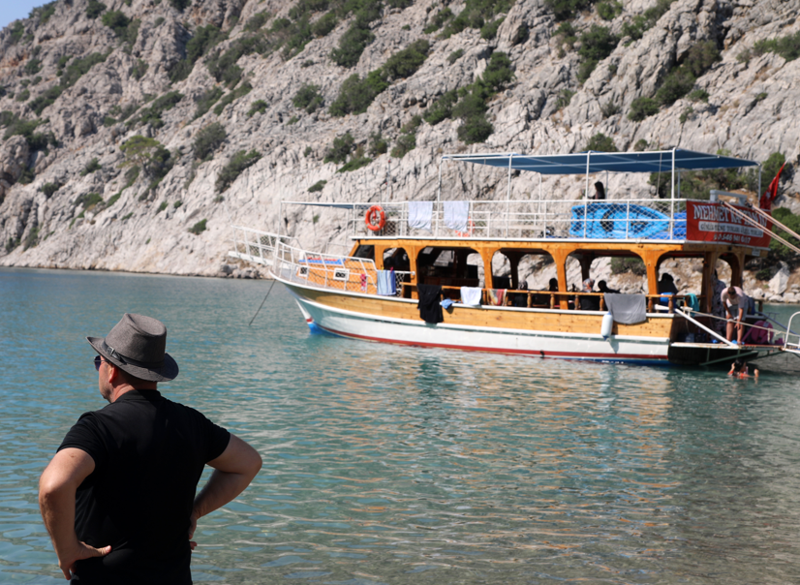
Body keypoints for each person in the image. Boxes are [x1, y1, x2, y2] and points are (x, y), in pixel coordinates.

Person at [38, 314, 262, 584]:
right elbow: (248, 463)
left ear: (112, 370)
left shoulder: (98, 427)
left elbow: (53, 486)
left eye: (99, 361)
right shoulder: (192, 423)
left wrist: (66, 548)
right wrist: (195, 511)